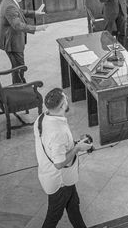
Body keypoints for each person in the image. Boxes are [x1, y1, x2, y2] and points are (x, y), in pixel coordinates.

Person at [34, 88, 91, 228]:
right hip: (60, 182)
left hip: (54, 176)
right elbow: (59, 163)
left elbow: (52, 146)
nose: (67, 100)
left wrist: (74, 144)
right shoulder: (58, 132)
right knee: (53, 217)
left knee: (74, 207)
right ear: (61, 106)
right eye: (65, 99)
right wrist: (77, 148)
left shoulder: (41, 118)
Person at [0, 0, 46, 82]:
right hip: (12, 42)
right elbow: (18, 25)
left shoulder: (8, 1)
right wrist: (36, 28)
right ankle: (20, 87)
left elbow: (20, 11)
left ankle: (19, 85)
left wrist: (35, 12)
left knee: (17, 67)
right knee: (19, 67)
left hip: (11, 40)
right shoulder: (9, 6)